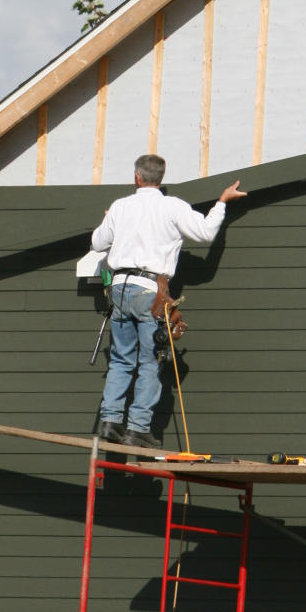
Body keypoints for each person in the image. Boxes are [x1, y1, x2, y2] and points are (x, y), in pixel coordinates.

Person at [91, 153, 246, 446]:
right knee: (150, 361)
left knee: (122, 360)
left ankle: (110, 423)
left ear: (137, 177)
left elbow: (97, 243)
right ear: (161, 178)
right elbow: (205, 233)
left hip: (120, 289)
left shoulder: (120, 207)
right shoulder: (172, 206)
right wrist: (222, 202)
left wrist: (107, 219)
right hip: (150, 291)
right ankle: (138, 429)